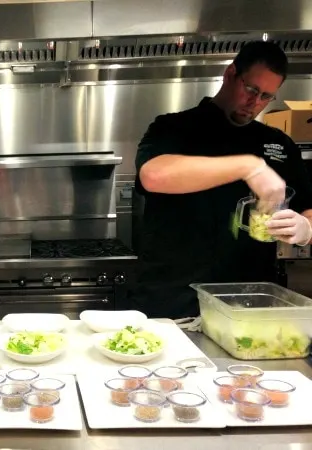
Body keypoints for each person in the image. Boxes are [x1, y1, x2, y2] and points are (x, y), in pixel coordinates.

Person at [130, 41, 312, 319]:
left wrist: (306, 228)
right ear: (230, 74)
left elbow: (308, 208)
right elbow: (154, 175)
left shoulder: (278, 144)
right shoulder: (174, 127)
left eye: (266, 96)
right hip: (173, 301)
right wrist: (248, 166)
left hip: (250, 304)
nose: (255, 103)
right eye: (251, 89)